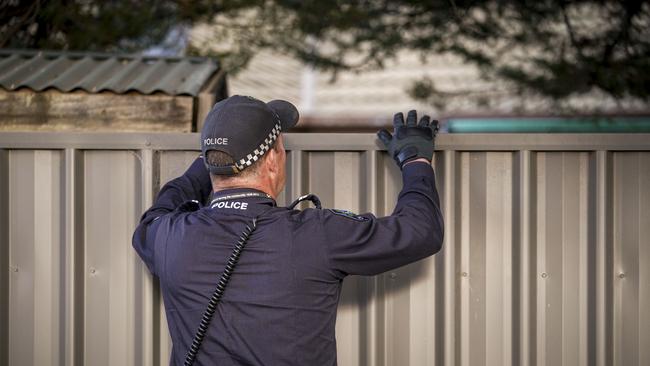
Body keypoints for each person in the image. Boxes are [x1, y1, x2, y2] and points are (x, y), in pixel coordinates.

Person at [132, 95, 444, 366]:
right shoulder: (316, 235)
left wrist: (214, 159)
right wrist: (415, 159)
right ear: (272, 161)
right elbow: (420, 230)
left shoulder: (168, 236)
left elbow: (160, 209)